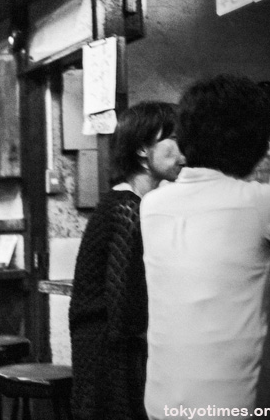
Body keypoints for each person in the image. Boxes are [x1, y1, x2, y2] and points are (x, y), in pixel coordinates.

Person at [141, 74, 270, 416]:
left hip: (161, 402)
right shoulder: (264, 204)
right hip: (231, 409)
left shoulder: (152, 203)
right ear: (258, 144)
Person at [69, 102, 185, 420]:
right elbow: (123, 307)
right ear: (142, 150)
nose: (184, 152)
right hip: (108, 346)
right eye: (173, 139)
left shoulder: (135, 202)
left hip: (109, 340)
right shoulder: (126, 207)